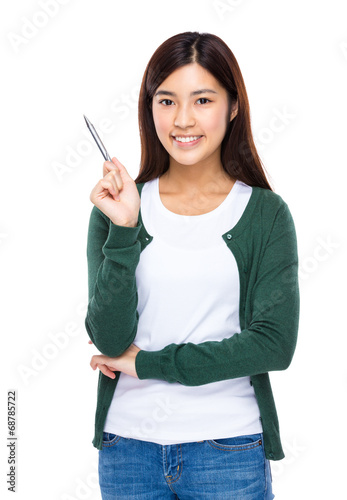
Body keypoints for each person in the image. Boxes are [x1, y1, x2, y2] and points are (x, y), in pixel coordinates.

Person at [85, 31, 299, 499]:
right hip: (127, 449)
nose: (182, 119)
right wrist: (124, 230)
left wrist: (150, 364)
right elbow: (108, 338)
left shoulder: (265, 215)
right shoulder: (120, 207)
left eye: (202, 99)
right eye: (166, 101)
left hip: (228, 448)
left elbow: (273, 345)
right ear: (149, 108)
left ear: (233, 105)